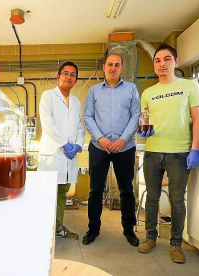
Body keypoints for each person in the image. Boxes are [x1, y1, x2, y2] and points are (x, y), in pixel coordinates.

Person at [137, 44, 199, 264]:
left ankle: (176, 244)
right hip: (153, 152)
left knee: (177, 199)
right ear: (154, 64)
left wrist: (195, 149)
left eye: (167, 59)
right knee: (153, 197)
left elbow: (198, 119)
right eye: (157, 60)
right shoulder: (148, 92)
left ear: (175, 61)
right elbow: (145, 119)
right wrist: (144, 130)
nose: (162, 64)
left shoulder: (190, 86)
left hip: (179, 153)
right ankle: (150, 238)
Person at [83, 54, 140, 247]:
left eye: (117, 65)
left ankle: (128, 229)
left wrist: (123, 140)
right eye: (110, 64)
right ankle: (93, 229)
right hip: (99, 147)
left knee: (126, 190)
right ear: (104, 67)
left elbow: (135, 116)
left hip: (125, 148)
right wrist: (101, 138)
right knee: (95, 191)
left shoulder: (132, 89)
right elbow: (88, 117)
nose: (113, 68)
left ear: (122, 68)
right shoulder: (94, 91)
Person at [38, 61, 85, 240]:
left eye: (73, 74)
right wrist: (64, 144)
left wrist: (78, 145)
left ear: (76, 79)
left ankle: (57, 228)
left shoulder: (75, 102)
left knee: (62, 194)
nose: (69, 77)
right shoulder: (48, 96)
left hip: (68, 157)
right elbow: (48, 125)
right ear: (58, 77)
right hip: (53, 154)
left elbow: (80, 127)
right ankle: (44, 229)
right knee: (48, 193)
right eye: (65, 73)